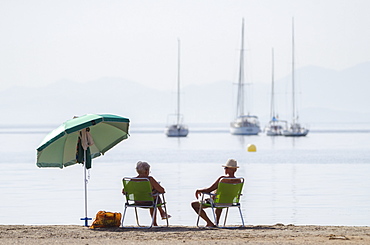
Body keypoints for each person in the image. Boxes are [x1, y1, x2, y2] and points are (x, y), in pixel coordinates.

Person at [191, 159, 241, 227]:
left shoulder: (223, 179)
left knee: (194, 204)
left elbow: (209, 190)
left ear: (227, 169)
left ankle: (209, 223)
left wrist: (199, 190)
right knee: (221, 199)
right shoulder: (239, 180)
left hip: (217, 202)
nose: (224, 169)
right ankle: (216, 222)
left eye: (225, 168)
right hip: (230, 202)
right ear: (235, 170)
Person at [122, 161, 171, 226]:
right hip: (149, 202)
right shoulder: (149, 179)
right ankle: (160, 216)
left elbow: (124, 191)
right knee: (155, 197)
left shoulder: (132, 180)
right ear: (146, 171)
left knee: (153, 196)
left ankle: (160, 215)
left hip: (137, 202)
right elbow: (162, 190)